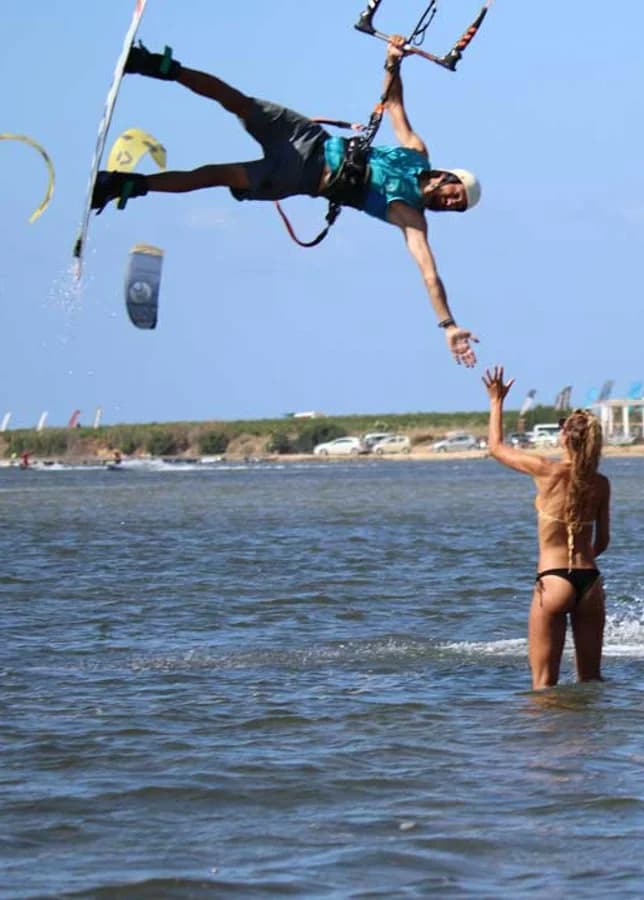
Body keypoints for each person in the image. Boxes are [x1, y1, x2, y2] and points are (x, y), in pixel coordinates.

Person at [91, 38, 480, 366]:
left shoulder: (411, 216)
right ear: (450, 177)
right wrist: (393, 62)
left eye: (456, 208)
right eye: (455, 196)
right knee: (237, 102)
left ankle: (122, 185)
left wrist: (448, 325)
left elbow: (429, 274)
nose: (450, 204)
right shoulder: (416, 153)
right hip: (308, 139)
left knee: (212, 174)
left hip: (300, 178)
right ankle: (154, 65)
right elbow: (394, 106)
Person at [483, 366, 611, 690]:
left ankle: (550, 740)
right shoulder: (600, 483)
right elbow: (603, 541)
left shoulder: (548, 471)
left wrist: (496, 401)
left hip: (553, 580)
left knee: (543, 685)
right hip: (590, 582)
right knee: (592, 682)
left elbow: (496, 447)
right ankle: (593, 740)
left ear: (566, 436)